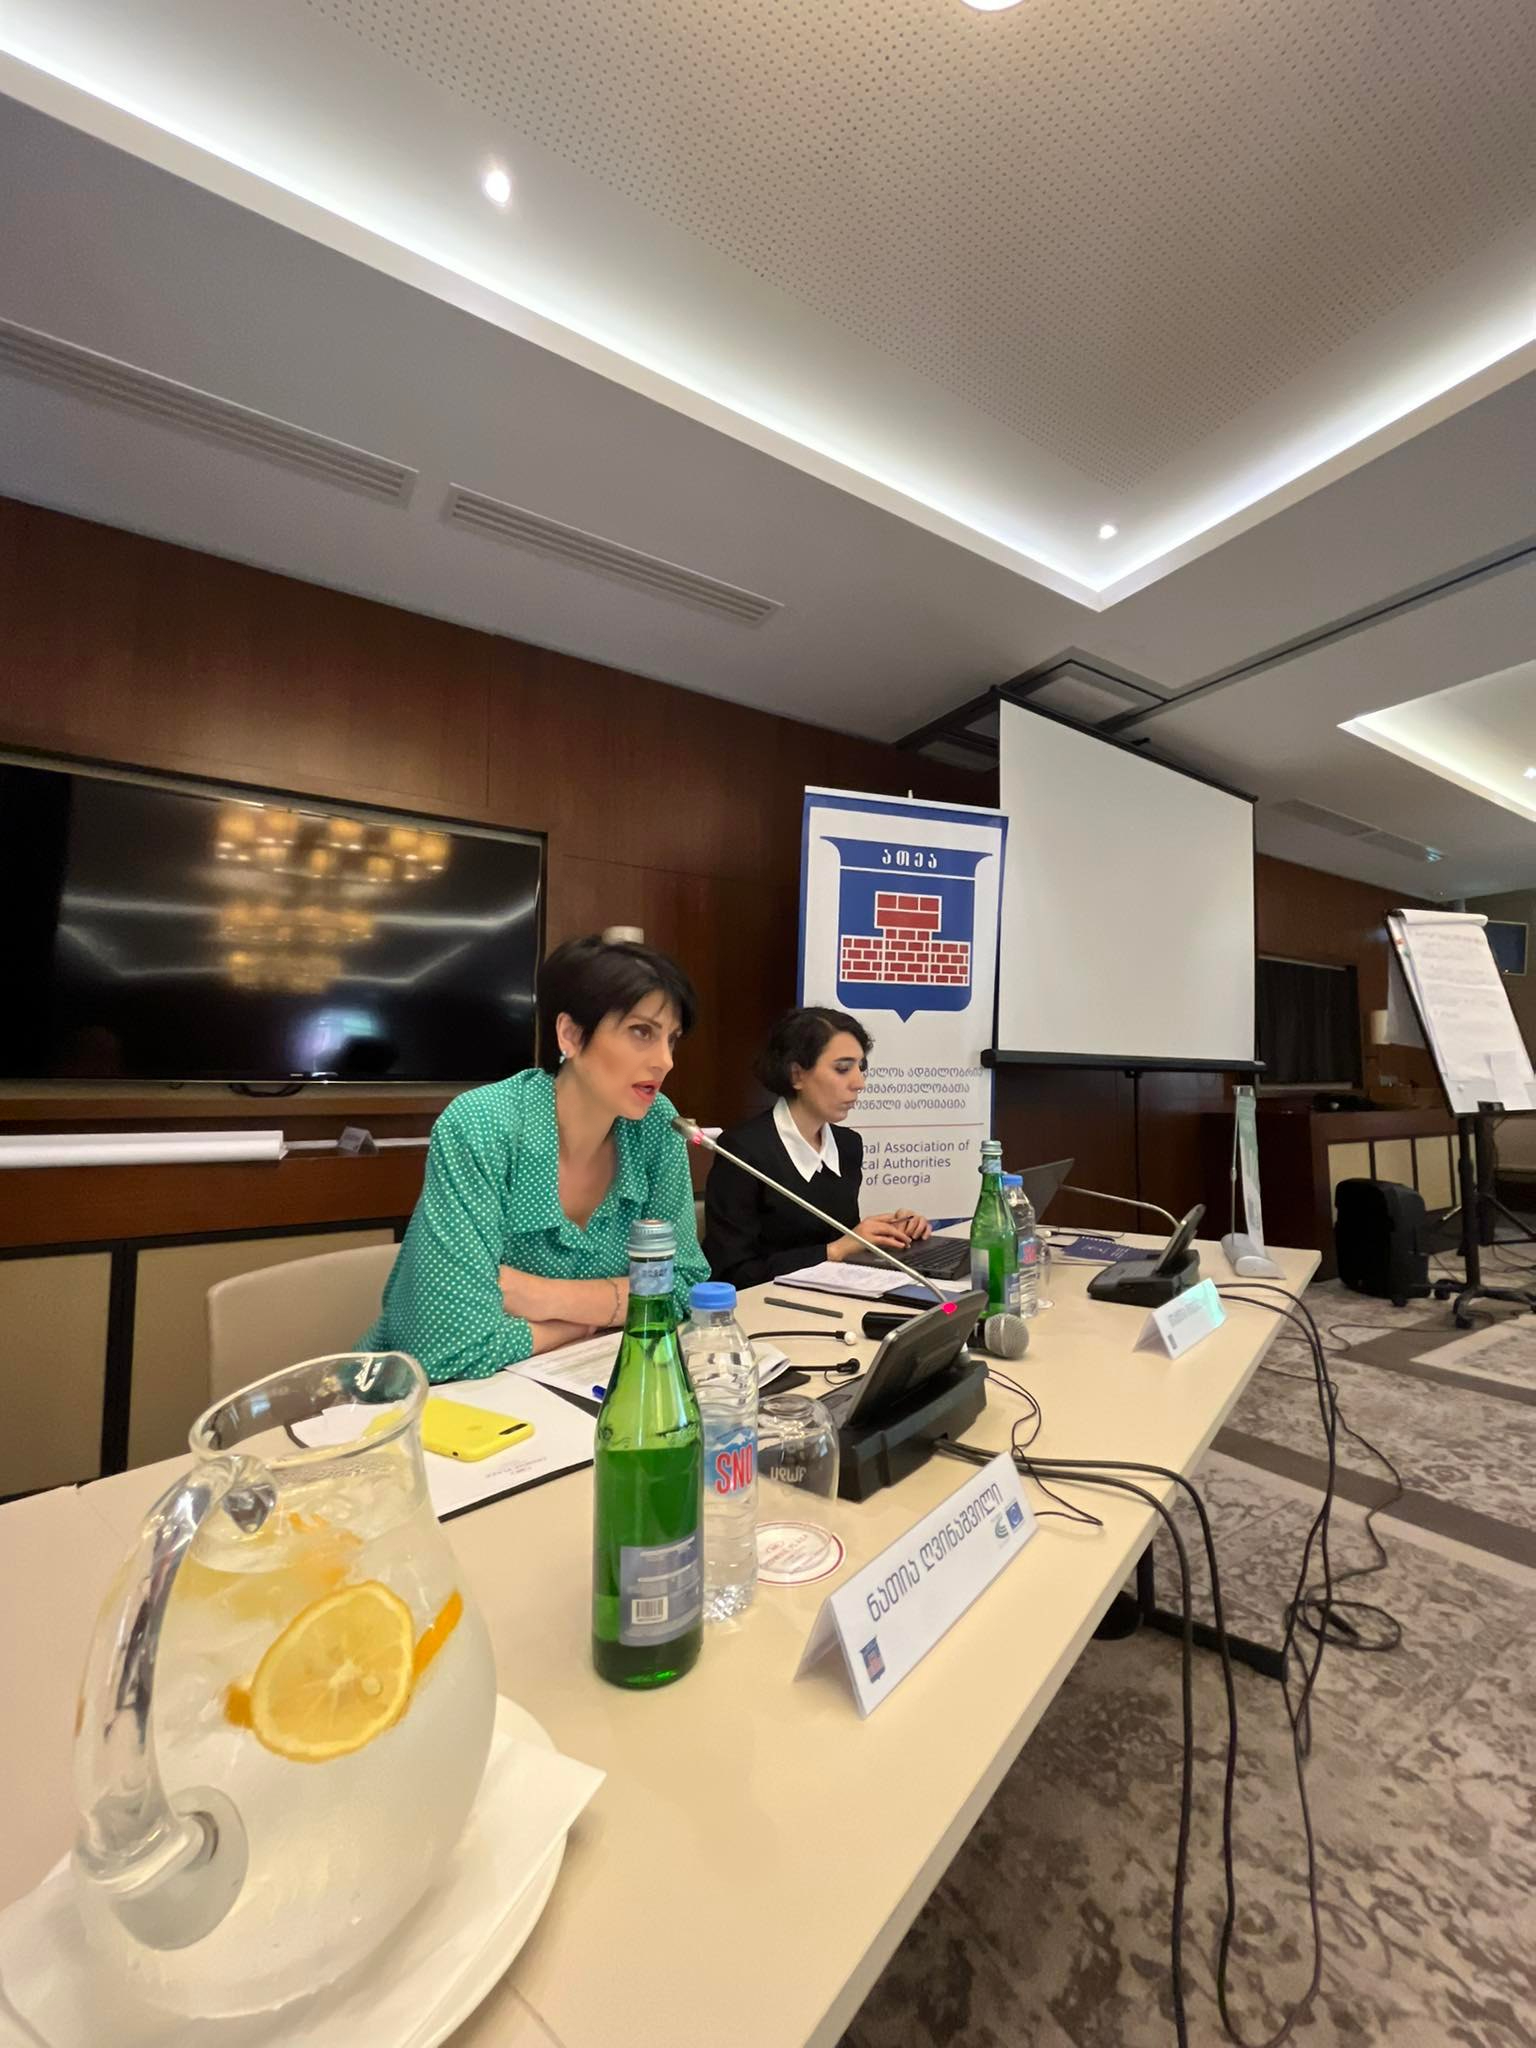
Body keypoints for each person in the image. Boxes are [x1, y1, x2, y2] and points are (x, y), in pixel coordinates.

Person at [363, 934, 708, 1381]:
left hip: (576, 1384)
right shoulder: (482, 1126)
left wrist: (539, 1296)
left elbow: (684, 1288)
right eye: (641, 1032)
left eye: (671, 1039)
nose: (665, 1061)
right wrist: (587, 1321)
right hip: (416, 1400)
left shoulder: (658, 1126)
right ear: (570, 1034)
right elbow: (446, 1347)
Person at [702, 1006, 931, 1290]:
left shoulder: (848, 1145)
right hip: (767, 1305)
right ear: (797, 1075)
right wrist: (834, 1251)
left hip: (838, 1298)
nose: (859, 1083)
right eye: (843, 1069)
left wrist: (891, 1232)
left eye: (861, 1068)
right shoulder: (742, 1150)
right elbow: (733, 1273)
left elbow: (840, 1240)